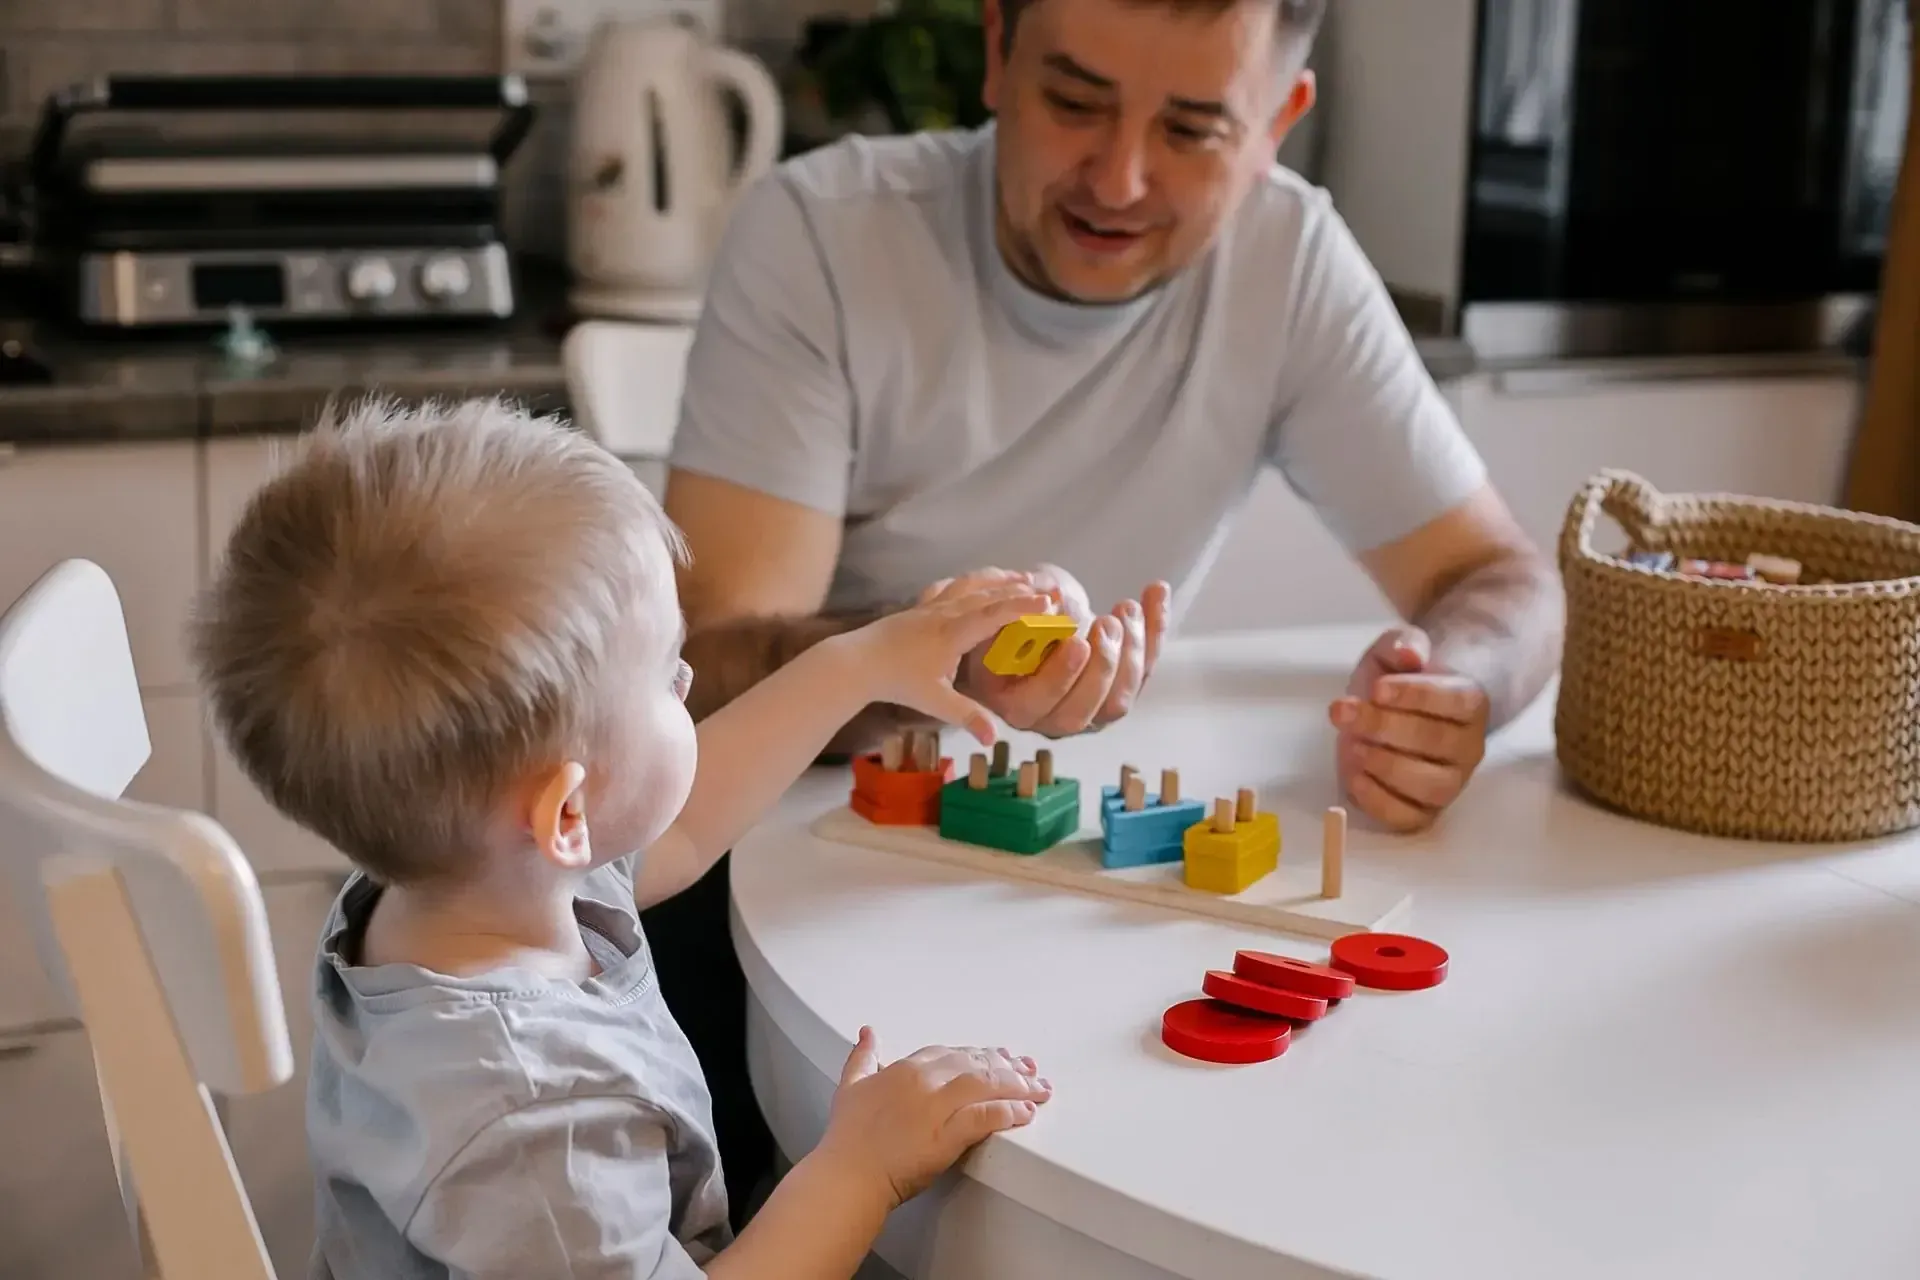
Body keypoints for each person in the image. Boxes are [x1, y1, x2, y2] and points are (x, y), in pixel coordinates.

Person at [651, 0, 1565, 1211]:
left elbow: (1503, 581)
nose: (1119, 178)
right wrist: (929, 665)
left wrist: (1458, 682)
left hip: (1046, 920)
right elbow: (702, 672)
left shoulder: (1289, 259)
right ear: (994, 52)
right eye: (1074, 102)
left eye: (1192, 128)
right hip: (769, 903)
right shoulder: (824, 233)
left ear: (1279, 122)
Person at [188, 397, 1055, 1279]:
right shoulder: (534, 1124)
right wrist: (860, 1171)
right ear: (567, 817)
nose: (688, 677)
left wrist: (857, 664)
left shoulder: (448, 888)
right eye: (663, 674)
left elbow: (675, 824)